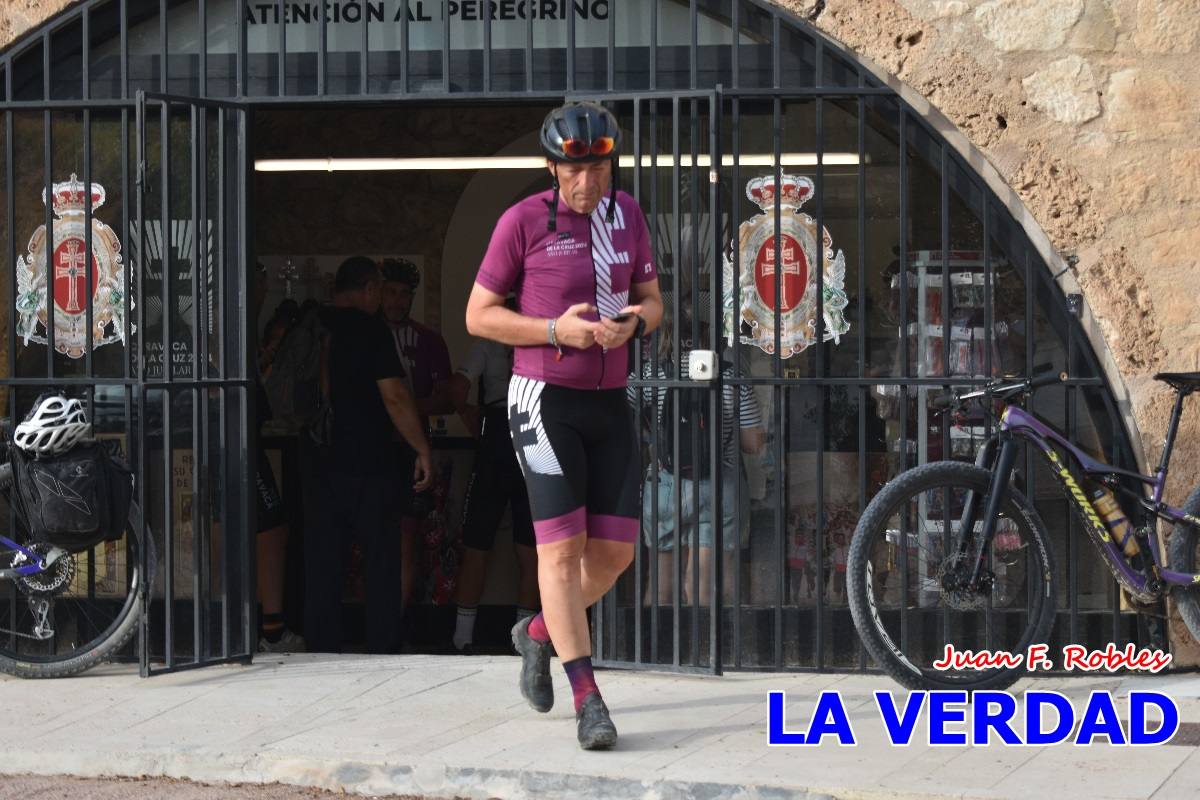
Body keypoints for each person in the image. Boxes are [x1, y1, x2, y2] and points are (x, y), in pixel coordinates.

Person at [465, 101, 663, 750]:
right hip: (543, 400)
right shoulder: (522, 222)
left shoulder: (626, 214)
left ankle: (539, 632)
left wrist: (632, 323)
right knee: (560, 552)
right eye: (576, 171)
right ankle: (588, 699)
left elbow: (654, 302)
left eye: (600, 168)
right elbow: (479, 316)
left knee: (613, 555)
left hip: (610, 404)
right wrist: (556, 330)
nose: (589, 183)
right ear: (553, 168)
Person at [304, 256, 433, 654]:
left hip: (315, 457)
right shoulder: (369, 329)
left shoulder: (312, 324)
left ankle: (320, 644)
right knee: (380, 556)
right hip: (367, 461)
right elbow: (393, 395)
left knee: (323, 558)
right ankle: (383, 643)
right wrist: (421, 448)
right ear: (370, 289)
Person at [450, 332, 539, 653]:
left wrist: (469, 415)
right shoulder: (541, 341)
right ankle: (524, 641)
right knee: (530, 549)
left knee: (477, 542)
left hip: (496, 436)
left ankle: (463, 638)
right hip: (531, 434)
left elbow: (457, 388)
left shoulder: (487, 346)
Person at [378, 258, 454, 634]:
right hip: (368, 449)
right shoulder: (366, 334)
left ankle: (394, 626)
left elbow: (446, 398)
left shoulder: (428, 340)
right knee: (371, 539)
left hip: (412, 451)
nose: (396, 300)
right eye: (389, 292)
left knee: (406, 539)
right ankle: (374, 624)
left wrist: (404, 409)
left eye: (404, 293)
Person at [252, 262, 304, 652]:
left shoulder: (238, 323)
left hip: (242, 438)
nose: (264, 285)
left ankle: (249, 623)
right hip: (235, 443)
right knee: (269, 529)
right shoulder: (226, 320)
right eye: (258, 277)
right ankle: (269, 630)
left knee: (262, 527)